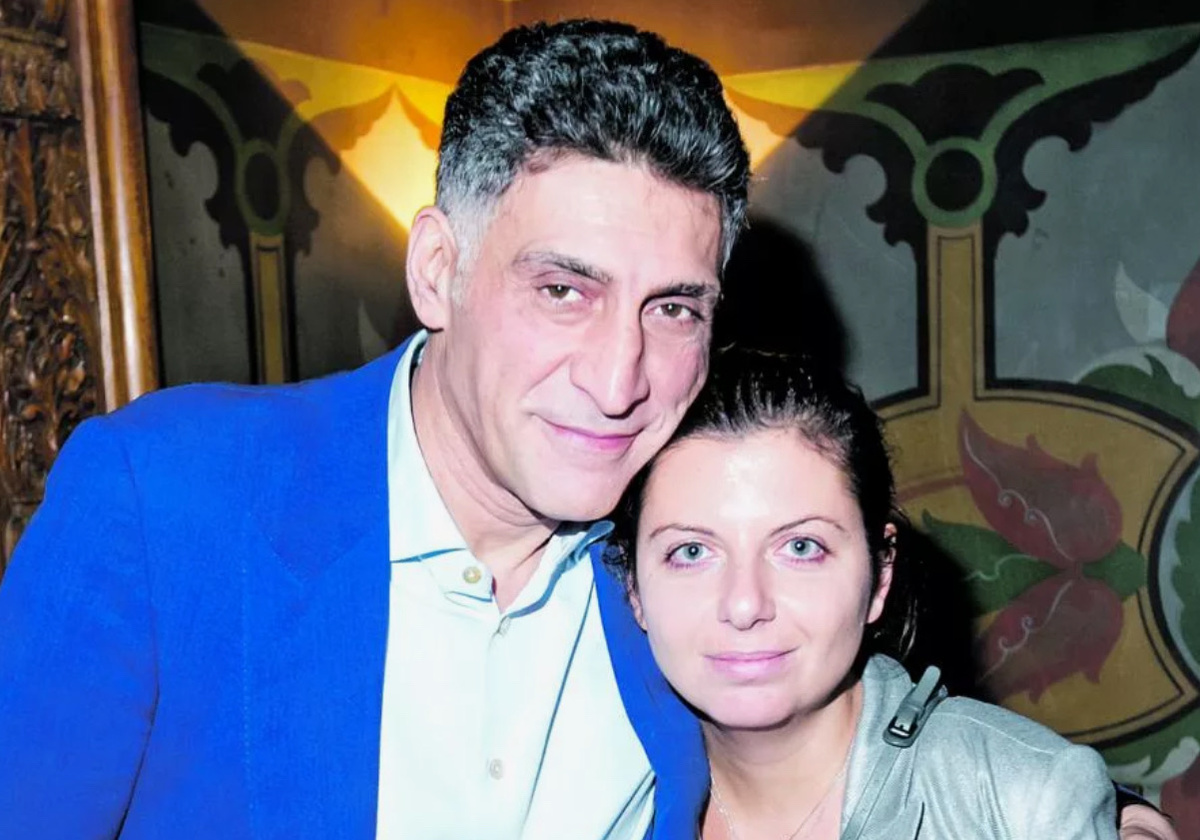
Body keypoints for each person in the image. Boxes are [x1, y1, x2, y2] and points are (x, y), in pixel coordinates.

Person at [0, 17, 1176, 840]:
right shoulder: (166, 500)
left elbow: (844, 717)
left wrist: (1079, 813)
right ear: (438, 270)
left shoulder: (672, 558)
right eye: (564, 289)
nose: (620, 380)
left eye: (674, 309)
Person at [607, 347, 1138, 839]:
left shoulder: (1023, 807)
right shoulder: (590, 798)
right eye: (691, 552)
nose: (745, 605)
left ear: (880, 573)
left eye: (800, 547)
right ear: (632, 587)